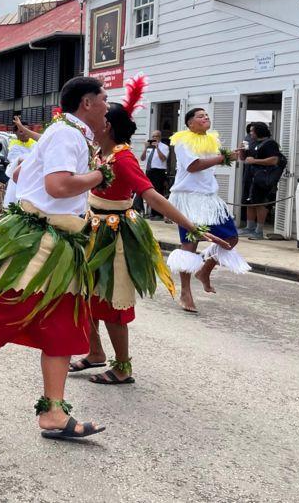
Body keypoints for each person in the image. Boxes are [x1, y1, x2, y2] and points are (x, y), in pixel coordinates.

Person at [0, 76, 110, 441]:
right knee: (7, 316)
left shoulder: (72, 135)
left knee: (62, 327)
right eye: (104, 98)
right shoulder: (66, 135)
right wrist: (99, 175)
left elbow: (27, 174)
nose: (108, 105)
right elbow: (57, 186)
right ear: (87, 103)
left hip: (61, 242)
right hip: (40, 242)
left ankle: (54, 413)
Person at [69, 77, 228, 383]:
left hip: (113, 235)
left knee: (111, 302)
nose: (91, 121)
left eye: (100, 117)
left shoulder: (124, 159)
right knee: (83, 292)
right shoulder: (98, 153)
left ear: (108, 126)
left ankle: (122, 366)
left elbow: (152, 195)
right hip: (91, 229)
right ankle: (95, 353)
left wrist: (192, 227)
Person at [166, 108, 250, 313]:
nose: (205, 118)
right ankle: (185, 292)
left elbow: (210, 164)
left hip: (210, 199)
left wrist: (231, 156)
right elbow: (193, 166)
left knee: (230, 239)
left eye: (207, 116)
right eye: (200, 116)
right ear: (189, 123)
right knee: (190, 245)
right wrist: (224, 157)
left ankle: (204, 271)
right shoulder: (182, 141)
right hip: (188, 199)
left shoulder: (212, 140)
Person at [239, 121, 283, 240]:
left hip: (263, 177)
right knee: (249, 201)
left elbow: (274, 160)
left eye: (252, 131)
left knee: (260, 202)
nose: (250, 133)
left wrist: (255, 161)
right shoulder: (252, 142)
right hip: (250, 176)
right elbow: (244, 159)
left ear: (259, 131)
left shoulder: (270, 143)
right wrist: (242, 150)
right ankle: (249, 228)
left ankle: (259, 231)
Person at [2, 115, 39, 206]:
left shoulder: (35, 143)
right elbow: (19, 162)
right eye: (22, 131)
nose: (26, 133)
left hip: (34, 181)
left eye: (28, 131)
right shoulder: (13, 147)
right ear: (16, 133)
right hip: (19, 181)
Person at [140, 129, 170, 220]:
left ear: (159, 137)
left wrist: (157, 148)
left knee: (157, 192)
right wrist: (145, 148)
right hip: (149, 171)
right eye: (152, 136)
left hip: (159, 171)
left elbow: (163, 159)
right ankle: (148, 212)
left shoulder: (164, 146)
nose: (154, 138)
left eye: (156, 136)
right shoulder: (149, 147)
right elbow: (142, 158)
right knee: (147, 191)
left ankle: (158, 214)